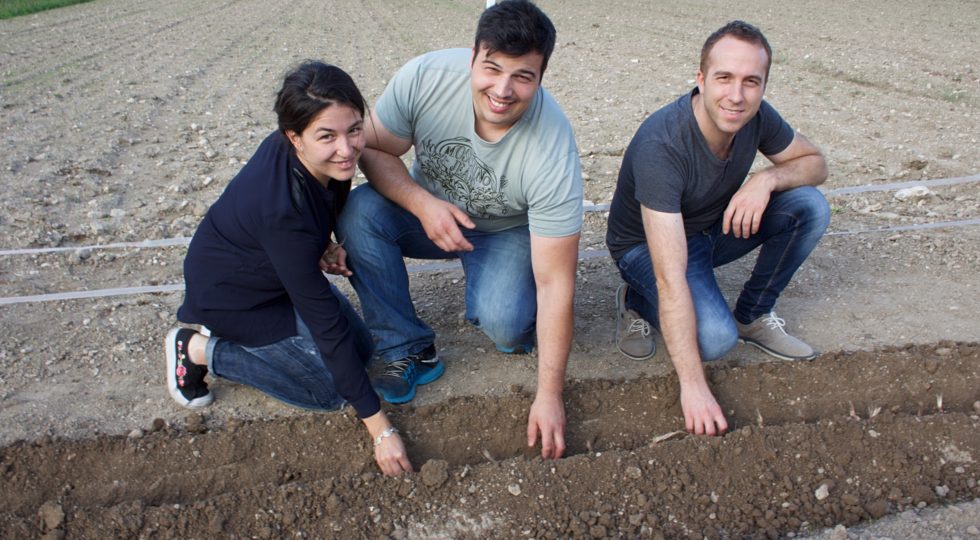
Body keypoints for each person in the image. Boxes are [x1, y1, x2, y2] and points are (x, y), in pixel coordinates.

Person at [337, 0, 582, 460]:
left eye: (523, 77)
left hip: (504, 231)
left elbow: (557, 282)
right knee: (359, 212)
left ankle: (500, 295)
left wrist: (550, 395)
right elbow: (370, 148)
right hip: (425, 212)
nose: (503, 90)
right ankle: (406, 346)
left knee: (508, 327)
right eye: (492, 69)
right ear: (472, 57)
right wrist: (422, 203)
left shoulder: (552, 151)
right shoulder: (427, 76)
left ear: (542, 76)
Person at [165, 61, 414, 476]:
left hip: (276, 272)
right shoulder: (280, 209)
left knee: (363, 351)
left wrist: (322, 243)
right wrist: (381, 431)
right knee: (329, 390)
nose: (347, 148)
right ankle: (196, 349)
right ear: (293, 136)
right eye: (327, 137)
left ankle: (248, 337)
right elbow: (325, 324)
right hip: (235, 297)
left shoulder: (317, 159)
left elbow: (317, 212)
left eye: (354, 129)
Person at [605, 21, 830, 436]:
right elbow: (671, 278)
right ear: (701, 79)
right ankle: (635, 299)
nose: (737, 95)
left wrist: (765, 180)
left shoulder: (757, 116)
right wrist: (693, 386)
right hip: (645, 247)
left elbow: (816, 164)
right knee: (711, 341)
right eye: (724, 78)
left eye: (751, 82)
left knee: (808, 206)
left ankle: (753, 315)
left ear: (763, 86)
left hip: (711, 227)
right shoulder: (663, 146)